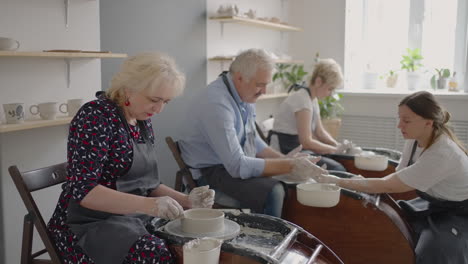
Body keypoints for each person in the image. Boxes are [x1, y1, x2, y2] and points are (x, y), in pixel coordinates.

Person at [47, 52, 216, 264]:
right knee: (156, 254)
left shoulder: (141, 120)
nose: (159, 109)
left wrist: (188, 200)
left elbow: (148, 185)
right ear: (129, 88)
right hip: (87, 226)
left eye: (166, 102)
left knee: (191, 242)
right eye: (154, 100)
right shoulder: (95, 116)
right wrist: (150, 205)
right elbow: (84, 191)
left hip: (131, 219)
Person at [315, 91, 468, 263]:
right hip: (434, 202)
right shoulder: (415, 138)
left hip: (458, 212)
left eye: (406, 120)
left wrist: (338, 181)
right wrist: (361, 183)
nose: (399, 125)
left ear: (428, 122)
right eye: (399, 118)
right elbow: (397, 177)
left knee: (434, 250)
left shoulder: (442, 153)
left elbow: (388, 185)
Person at [178, 49, 327, 218]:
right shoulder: (216, 104)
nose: (264, 91)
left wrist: (286, 160)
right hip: (210, 174)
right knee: (275, 191)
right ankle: (266, 240)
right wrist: (289, 165)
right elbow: (237, 166)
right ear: (240, 78)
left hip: (229, 167)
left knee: (292, 182)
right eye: (260, 84)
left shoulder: (244, 95)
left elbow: (253, 140)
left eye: (266, 85)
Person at [269, 58, 347, 171]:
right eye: (330, 89)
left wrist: (337, 146)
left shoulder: (311, 99)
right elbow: (306, 142)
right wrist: (334, 150)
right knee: (337, 168)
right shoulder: (302, 100)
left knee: (337, 159)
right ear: (318, 81)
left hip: (298, 147)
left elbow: (320, 132)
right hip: (287, 149)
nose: (330, 94)